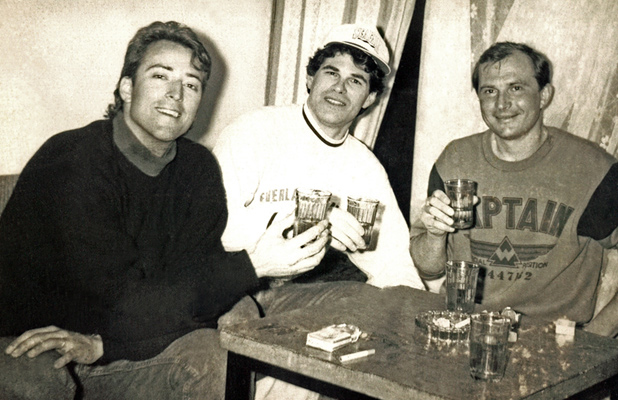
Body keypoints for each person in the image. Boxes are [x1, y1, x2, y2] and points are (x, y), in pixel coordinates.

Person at [0, 20, 339, 399]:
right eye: (161, 76)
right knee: (36, 378)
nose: (176, 94)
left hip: (117, 341)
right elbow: (121, 302)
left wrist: (105, 347)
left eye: (192, 84)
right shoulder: (73, 163)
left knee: (217, 355)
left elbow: (192, 286)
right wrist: (254, 265)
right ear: (126, 87)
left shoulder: (198, 168)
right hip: (30, 339)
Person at [410, 41, 618, 337]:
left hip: (553, 340)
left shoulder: (592, 169)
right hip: (464, 328)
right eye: (489, 91)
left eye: (516, 88)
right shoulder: (455, 160)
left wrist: (597, 338)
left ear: (544, 95)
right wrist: (434, 233)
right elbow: (429, 269)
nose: (502, 104)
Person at [213, 24, 425, 290]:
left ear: (370, 98)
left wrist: (415, 315)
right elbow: (214, 227)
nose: (339, 87)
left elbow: (393, 262)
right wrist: (309, 221)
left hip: (311, 296)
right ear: (311, 79)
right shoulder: (254, 130)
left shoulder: (365, 167)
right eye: (331, 72)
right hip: (239, 286)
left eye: (355, 80)